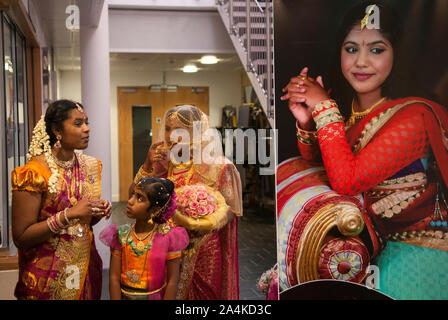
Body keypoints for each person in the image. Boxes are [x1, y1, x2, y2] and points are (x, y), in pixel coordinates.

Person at [281, 2, 448, 299]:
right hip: (360, 248)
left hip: (413, 253)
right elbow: (326, 169)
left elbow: (348, 181)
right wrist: (308, 121)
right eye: (351, 48)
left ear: (397, 52)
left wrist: (323, 107)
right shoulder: (352, 112)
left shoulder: (414, 116)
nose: (361, 61)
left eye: (376, 49)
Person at [133, 105, 243, 300]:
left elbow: (230, 212)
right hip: (169, 245)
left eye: (178, 130)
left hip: (205, 247)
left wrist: (198, 222)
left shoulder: (220, 166)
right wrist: (147, 165)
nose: (170, 135)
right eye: (167, 128)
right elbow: (137, 196)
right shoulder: (165, 164)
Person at [11, 100, 111, 300]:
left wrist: (96, 213)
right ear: (57, 130)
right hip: (47, 278)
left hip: (85, 270)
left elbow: (83, 223)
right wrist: (68, 214)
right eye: (78, 124)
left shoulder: (89, 165)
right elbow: (21, 237)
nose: (86, 129)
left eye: (87, 122)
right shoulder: (34, 173)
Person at [100, 177, 188, 300]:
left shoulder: (169, 237)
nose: (130, 201)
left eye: (140, 198)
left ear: (155, 210)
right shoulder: (121, 234)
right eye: (132, 195)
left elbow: (172, 280)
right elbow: (114, 278)